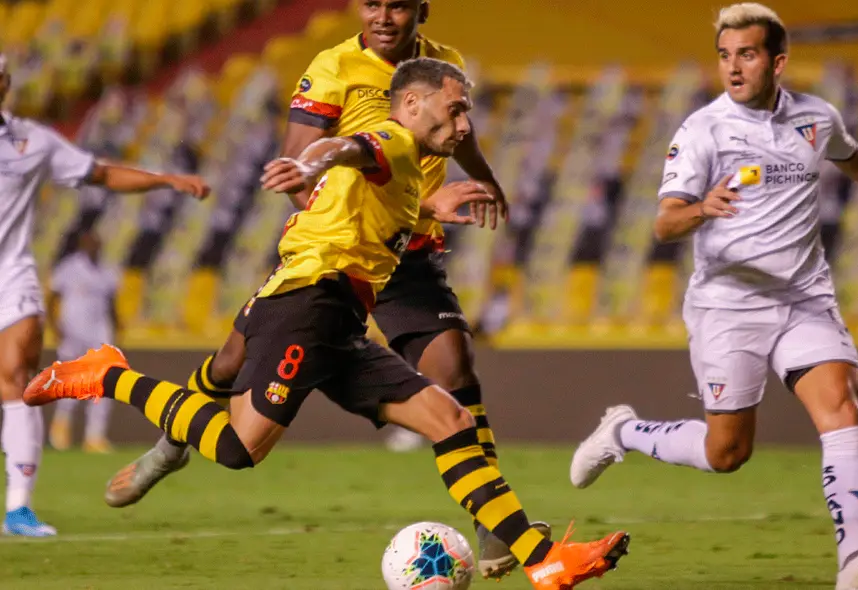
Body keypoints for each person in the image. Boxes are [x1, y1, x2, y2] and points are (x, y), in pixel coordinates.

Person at [25, 58, 630, 590]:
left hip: (340, 318)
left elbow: (362, 188)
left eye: (467, 112)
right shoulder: (391, 138)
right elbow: (346, 148)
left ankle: (545, 562)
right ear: (413, 103)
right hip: (306, 306)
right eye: (455, 108)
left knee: (449, 419)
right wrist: (307, 160)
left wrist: (427, 207)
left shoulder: (411, 169)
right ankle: (110, 375)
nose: (466, 124)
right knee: (238, 448)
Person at [104, 0, 542, 580]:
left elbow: (457, 138)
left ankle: (492, 521)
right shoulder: (333, 68)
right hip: (336, 252)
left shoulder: (444, 72)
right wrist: (326, 194)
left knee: (455, 370)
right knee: (229, 366)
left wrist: (481, 176)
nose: (383, 16)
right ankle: (170, 445)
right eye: (371, 4)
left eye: (397, 6)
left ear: (422, 10)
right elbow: (310, 154)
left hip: (407, 250)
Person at [569, 4, 858, 590]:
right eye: (724, 55)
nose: (733, 67)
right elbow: (663, 225)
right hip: (728, 307)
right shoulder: (702, 130)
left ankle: (854, 562)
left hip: (804, 299)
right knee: (726, 453)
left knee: (842, 403)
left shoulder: (815, 118)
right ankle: (623, 432)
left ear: (777, 61)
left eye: (746, 54)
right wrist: (700, 209)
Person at [0, 54, 210, 537]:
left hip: (13, 276)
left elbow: (101, 173)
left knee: (16, 378)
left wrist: (164, 179)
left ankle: (18, 509)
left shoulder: (32, 142)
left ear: (6, 83)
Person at [46, 229, 121, 454]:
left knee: (105, 383)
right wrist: (55, 326)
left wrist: (118, 326)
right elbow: (52, 298)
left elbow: (112, 302)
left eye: (97, 244)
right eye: (90, 244)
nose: (94, 248)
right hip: (73, 331)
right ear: (82, 245)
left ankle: (94, 436)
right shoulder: (69, 268)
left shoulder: (108, 270)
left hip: (100, 332)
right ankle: (61, 430)